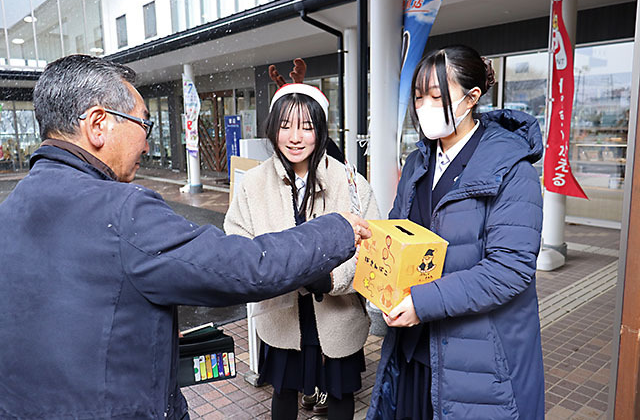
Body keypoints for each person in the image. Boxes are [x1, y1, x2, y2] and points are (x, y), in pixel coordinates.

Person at [0, 54, 372, 420]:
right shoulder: (124, 210)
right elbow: (244, 265)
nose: (147, 144)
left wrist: (149, 328)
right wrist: (336, 229)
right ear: (98, 125)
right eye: (143, 125)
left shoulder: (10, 210)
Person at [366, 45, 545, 419]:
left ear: (471, 98)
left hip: (476, 358)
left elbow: (509, 269)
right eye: (418, 97)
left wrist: (421, 303)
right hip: (414, 349)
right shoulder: (418, 162)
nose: (424, 106)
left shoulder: (513, 168)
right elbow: (398, 237)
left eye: (436, 96)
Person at [224, 78, 380, 420]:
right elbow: (236, 242)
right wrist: (271, 271)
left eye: (307, 127)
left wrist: (331, 279)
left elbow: (373, 248)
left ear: (321, 131)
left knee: (340, 393)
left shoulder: (349, 181)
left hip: (337, 313)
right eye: (285, 126)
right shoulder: (253, 184)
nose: (295, 137)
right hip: (281, 313)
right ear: (272, 129)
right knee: (284, 391)